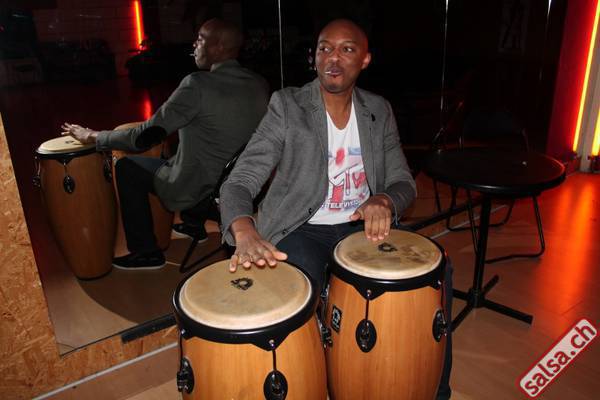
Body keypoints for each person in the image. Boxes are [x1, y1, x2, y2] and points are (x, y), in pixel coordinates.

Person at [219, 19, 452, 399]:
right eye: (325, 48)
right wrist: (244, 231)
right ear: (314, 57)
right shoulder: (288, 106)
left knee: (435, 271)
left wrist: (384, 200)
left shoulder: (378, 110)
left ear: (365, 60)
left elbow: (402, 182)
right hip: (301, 226)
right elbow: (240, 181)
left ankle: (435, 390)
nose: (333, 58)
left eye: (347, 49)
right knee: (300, 281)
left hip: (361, 227)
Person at [61, 18, 269, 270]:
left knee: (128, 168)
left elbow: (143, 138)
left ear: (218, 47)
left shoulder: (197, 85)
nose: (194, 45)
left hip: (207, 194)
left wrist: (94, 136)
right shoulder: (259, 83)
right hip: (245, 192)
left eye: (200, 39)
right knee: (187, 153)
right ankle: (193, 224)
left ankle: (146, 252)